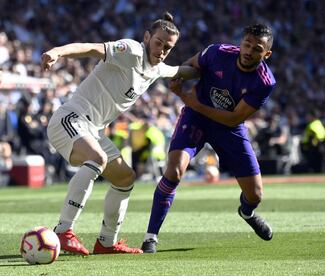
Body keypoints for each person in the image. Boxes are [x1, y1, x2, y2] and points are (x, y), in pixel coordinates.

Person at [41, 12, 199, 255]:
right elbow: (91, 48)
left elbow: (181, 70)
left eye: (168, 47)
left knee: (125, 178)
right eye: (158, 43)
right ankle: (63, 231)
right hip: (70, 119)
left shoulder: (155, 69)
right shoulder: (132, 51)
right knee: (97, 158)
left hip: (91, 129)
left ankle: (106, 242)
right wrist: (57, 52)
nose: (162, 50)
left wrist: (213, 67)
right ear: (147, 37)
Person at [140, 23, 276, 253]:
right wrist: (179, 78)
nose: (249, 51)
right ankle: (150, 236)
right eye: (247, 44)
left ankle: (246, 213)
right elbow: (190, 65)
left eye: (257, 49)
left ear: (267, 54)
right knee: (174, 171)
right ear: (240, 42)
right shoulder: (217, 52)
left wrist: (192, 101)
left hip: (228, 127)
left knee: (255, 194)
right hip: (196, 118)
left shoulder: (264, 82)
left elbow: (233, 119)